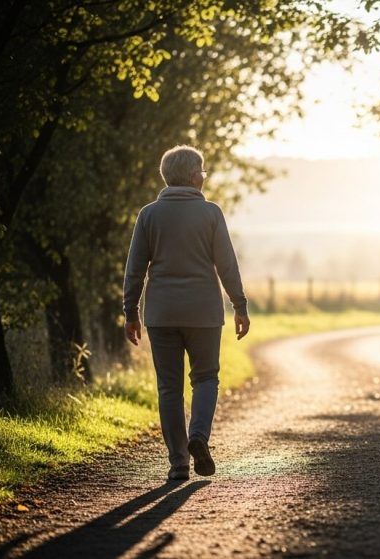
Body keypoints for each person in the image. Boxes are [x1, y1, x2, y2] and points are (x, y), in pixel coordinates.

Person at [123, 145, 250, 481]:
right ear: (195, 177)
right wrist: (240, 305)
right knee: (206, 378)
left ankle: (178, 463)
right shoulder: (211, 213)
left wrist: (130, 312)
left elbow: (134, 269)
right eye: (203, 173)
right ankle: (198, 437)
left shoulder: (148, 215)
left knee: (169, 388)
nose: (204, 178)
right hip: (204, 313)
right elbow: (227, 265)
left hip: (161, 313)